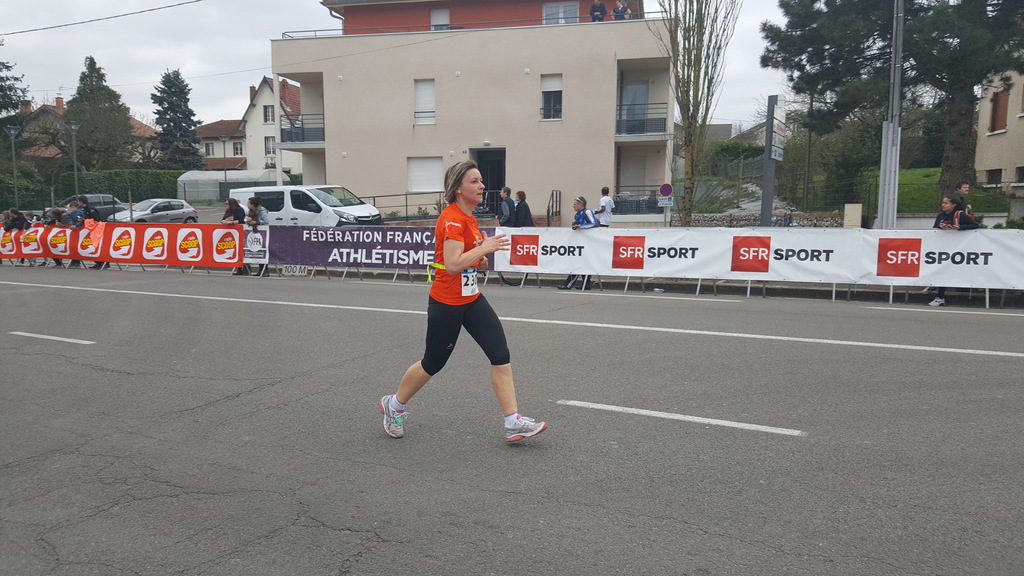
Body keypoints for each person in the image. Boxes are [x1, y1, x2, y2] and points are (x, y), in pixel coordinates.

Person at [379, 160, 547, 443]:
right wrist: (485, 248)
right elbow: (454, 264)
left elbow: (465, 262)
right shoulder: (452, 218)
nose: (482, 186)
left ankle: (512, 422)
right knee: (433, 363)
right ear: (458, 188)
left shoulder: (469, 217)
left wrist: (480, 259)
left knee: (500, 354)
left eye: (481, 180)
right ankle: (394, 404)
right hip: (447, 302)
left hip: (471, 298)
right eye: (474, 181)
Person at [928, 191, 978, 307]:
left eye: (946, 203)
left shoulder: (960, 215)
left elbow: (975, 225)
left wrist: (959, 227)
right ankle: (940, 297)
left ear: (953, 205)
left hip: (958, 248)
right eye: (943, 203)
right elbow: (934, 229)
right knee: (942, 271)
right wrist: (941, 227)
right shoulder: (941, 216)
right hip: (944, 248)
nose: (943, 205)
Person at [557, 196, 598, 290]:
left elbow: (593, 223)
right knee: (583, 262)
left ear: (580, 204)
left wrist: (581, 226)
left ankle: (568, 284)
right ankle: (586, 283)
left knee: (579, 262)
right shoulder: (577, 214)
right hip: (580, 242)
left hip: (588, 242)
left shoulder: (587, 212)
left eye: (574, 204)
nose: (573, 206)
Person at [79, 196, 109, 270]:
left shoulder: (91, 209)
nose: (78, 203)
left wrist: (85, 220)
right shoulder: (84, 209)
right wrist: (83, 220)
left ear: (82, 202)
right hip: (92, 231)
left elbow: (96, 220)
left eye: (79, 201)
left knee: (99, 245)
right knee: (93, 246)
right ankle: (98, 262)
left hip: (98, 230)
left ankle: (105, 263)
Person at [222, 198, 249, 276]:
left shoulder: (239, 210)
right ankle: (239, 268)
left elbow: (241, 221)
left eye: (227, 204)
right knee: (236, 251)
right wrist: (224, 222)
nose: (226, 205)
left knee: (241, 250)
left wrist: (230, 222)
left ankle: (246, 268)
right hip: (231, 234)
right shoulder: (228, 211)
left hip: (239, 232)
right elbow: (223, 219)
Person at [245, 196, 270, 277]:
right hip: (254, 232)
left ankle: (265, 270)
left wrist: (255, 222)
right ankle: (261, 270)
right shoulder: (250, 211)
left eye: (248, 203)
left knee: (262, 250)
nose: (247, 204)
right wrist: (248, 221)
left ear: (252, 204)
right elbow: (248, 220)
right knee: (257, 251)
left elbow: (266, 221)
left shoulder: (262, 210)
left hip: (262, 233)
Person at [66, 201, 84, 268]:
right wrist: (71, 224)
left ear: (76, 207)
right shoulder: (72, 213)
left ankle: (76, 262)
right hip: (74, 230)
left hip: (79, 229)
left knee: (76, 246)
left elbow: (81, 221)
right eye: (71, 208)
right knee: (72, 246)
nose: (72, 209)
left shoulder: (79, 213)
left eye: (73, 207)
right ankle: (74, 261)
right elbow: (72, 220)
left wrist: (76, 226)